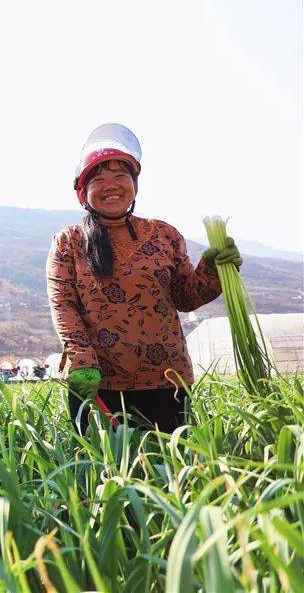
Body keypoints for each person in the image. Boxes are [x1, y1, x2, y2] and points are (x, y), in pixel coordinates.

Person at [47, 123, 241, 433]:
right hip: (98, 380)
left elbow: (186, 297)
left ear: (135, 185)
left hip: (166, 379)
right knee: (106, 472)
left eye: (121, 176)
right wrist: (81, 358)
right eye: (98, 178)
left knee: (168, 470)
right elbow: (63, 305)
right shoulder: (69, 242)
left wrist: (214, 268)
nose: (111, 184)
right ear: (83, 192)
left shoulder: (164, 234)